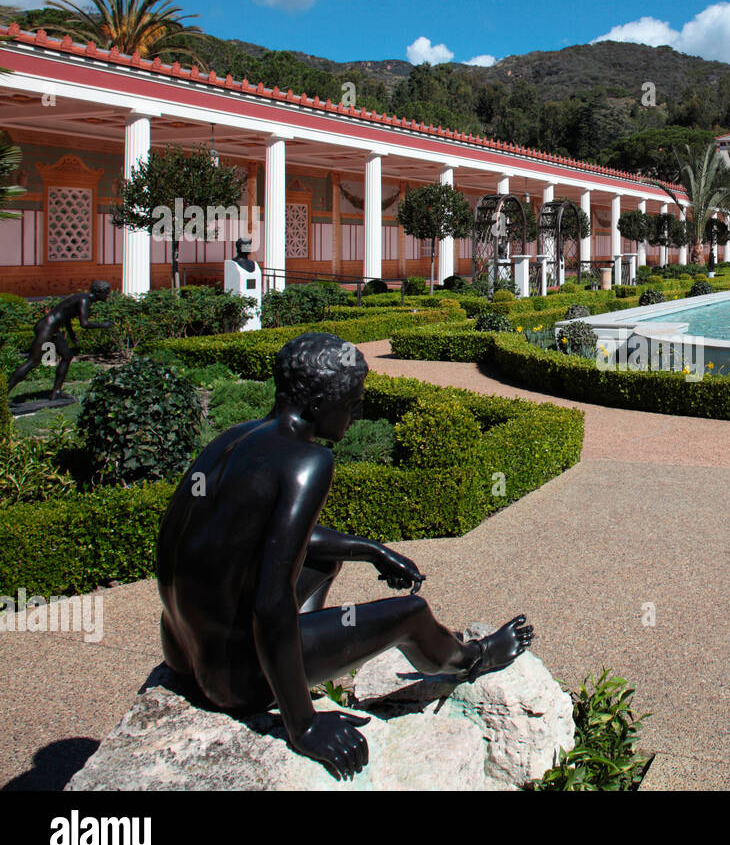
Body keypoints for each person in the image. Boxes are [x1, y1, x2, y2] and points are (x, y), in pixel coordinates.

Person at [155, 332, 533, 780]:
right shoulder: (308, 462)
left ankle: (310, 649)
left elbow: (270, 544)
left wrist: (371, 551)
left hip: (183, 652)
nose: (357, 413)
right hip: (237, 681)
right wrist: (304, 725)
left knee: (322, 561)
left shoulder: (233, 439)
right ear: (319, 402)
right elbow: (270, 603)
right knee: (410, 612)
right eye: (352, 403)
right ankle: (474, 658)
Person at [6, 280, 113, 399]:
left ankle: (56, 392)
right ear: (99, 292)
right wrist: (104, 325)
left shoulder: (83, 298)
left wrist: (71, 334)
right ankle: (3, 393)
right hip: (46, 328)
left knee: (67, 356)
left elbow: (66, 316)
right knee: (33, 361)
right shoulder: (85, 300)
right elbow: (84, 323)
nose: (108, 295)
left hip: (54, 330)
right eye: (106, 292)